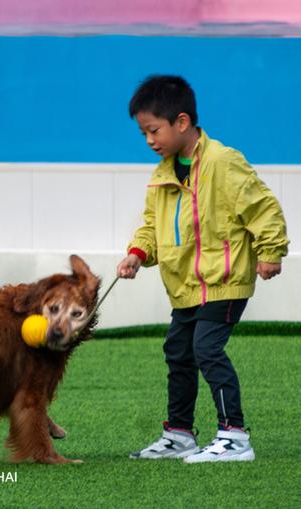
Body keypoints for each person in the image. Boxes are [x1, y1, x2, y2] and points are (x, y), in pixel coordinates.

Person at [119, 75, 289, 463]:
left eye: (153, 130)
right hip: (186, 285)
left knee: (206, 349)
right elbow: (151, 225)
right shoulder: (162, 173)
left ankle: (235, 436)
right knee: (178, 351)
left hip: (224, 280)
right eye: (144, 132)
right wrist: (138, 253)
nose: (149, 140)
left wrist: (271, 251)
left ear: (182, 122)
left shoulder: (222, 161)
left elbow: (262, 208)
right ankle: (179, 433)